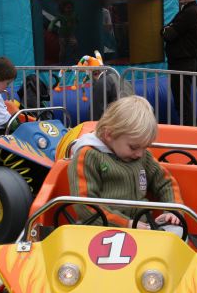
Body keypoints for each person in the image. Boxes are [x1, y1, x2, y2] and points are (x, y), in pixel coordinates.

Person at [68, 95, 183, 229]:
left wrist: (173, 210)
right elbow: (84, 205)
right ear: (109, 135)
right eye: (133, 147)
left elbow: (165, 181)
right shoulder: (88, 156)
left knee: (178, 231)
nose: (140, 154)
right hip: (102, 229)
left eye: (144, 147)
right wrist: (126, 224)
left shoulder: (142, 156)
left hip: (143, 226)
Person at [161, 0, 197, 126]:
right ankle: (186, 128)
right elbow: (167, 30)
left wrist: (166, 30)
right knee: (181, 100)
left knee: (183, 101)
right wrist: (166, 29)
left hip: (183, 63)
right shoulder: (186, 11)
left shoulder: (190, 12)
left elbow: (168, 34)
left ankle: (188, 130)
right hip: (180, 62)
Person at [77, 51, 134, 120]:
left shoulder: (101, 83)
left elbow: (95, 114)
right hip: (132, 120)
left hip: (118, 122)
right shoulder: (122, 79)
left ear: (95, 73)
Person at [49, 0, 78, 65]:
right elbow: (54, 21)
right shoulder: (61, 16)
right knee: (63, 50)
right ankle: (61, 61)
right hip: (62, 35)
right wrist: (50, 26)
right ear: (63, 9)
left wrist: (75, 24)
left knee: (75, 44)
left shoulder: (73, 15)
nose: (69, 9)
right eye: (67, 8)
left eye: (70, 8)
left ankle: (74, 57)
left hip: (70, 34)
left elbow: (76, 21)